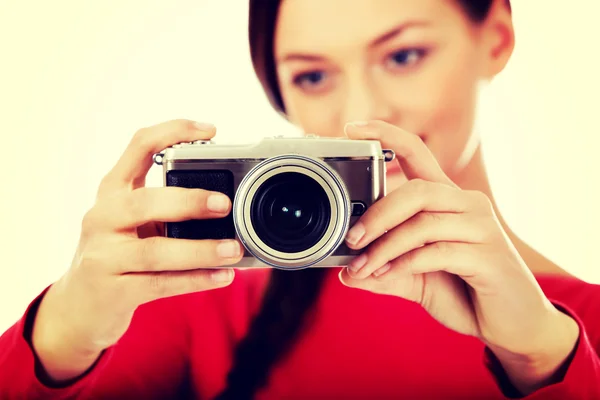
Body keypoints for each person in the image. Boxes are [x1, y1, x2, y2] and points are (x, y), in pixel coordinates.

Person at [1, 0, 599, 398]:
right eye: (313, 76)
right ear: (280, 92)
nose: (360, 114)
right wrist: (62, 338)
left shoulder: (581, 330)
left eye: (403, 55)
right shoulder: (196, 293)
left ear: (495, 36)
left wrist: (543, 360)